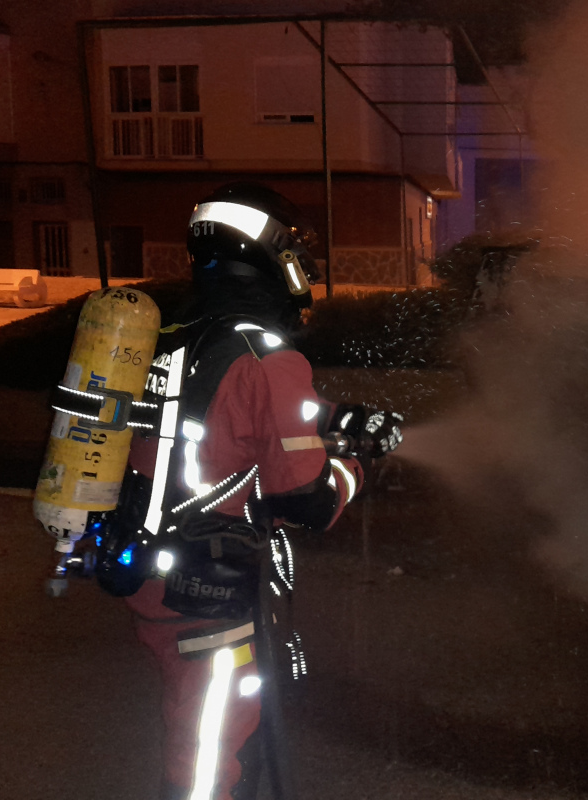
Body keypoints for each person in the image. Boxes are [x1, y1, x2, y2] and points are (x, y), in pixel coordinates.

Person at [94, 182, 402, 800]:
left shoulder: (179, 336)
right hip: (208, 590)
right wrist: (358, 466)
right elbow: (306, 500)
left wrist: (339, 418)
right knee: (206, 761)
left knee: (218, 736)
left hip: (148, 564)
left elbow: (233, 414)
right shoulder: (267, 354)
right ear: (274, 256)